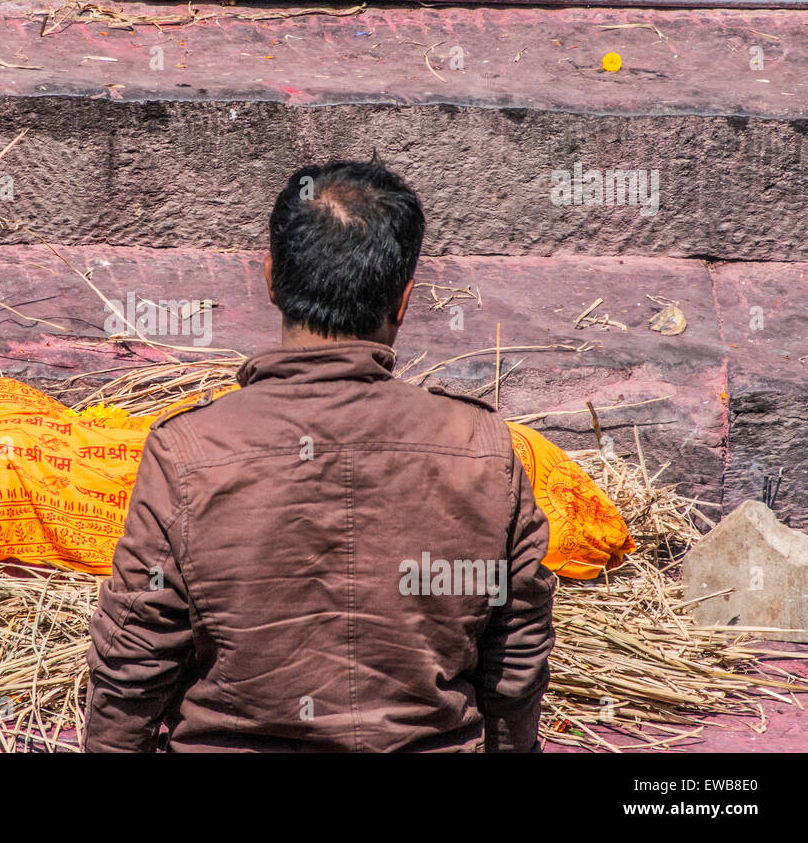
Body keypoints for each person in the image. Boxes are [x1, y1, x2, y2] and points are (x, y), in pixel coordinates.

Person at [84, 156, 557, 752]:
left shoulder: (188, 451)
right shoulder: (484, 449)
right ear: (405, 300)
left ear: (271, 278)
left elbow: (134, 662)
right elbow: (514, 661)